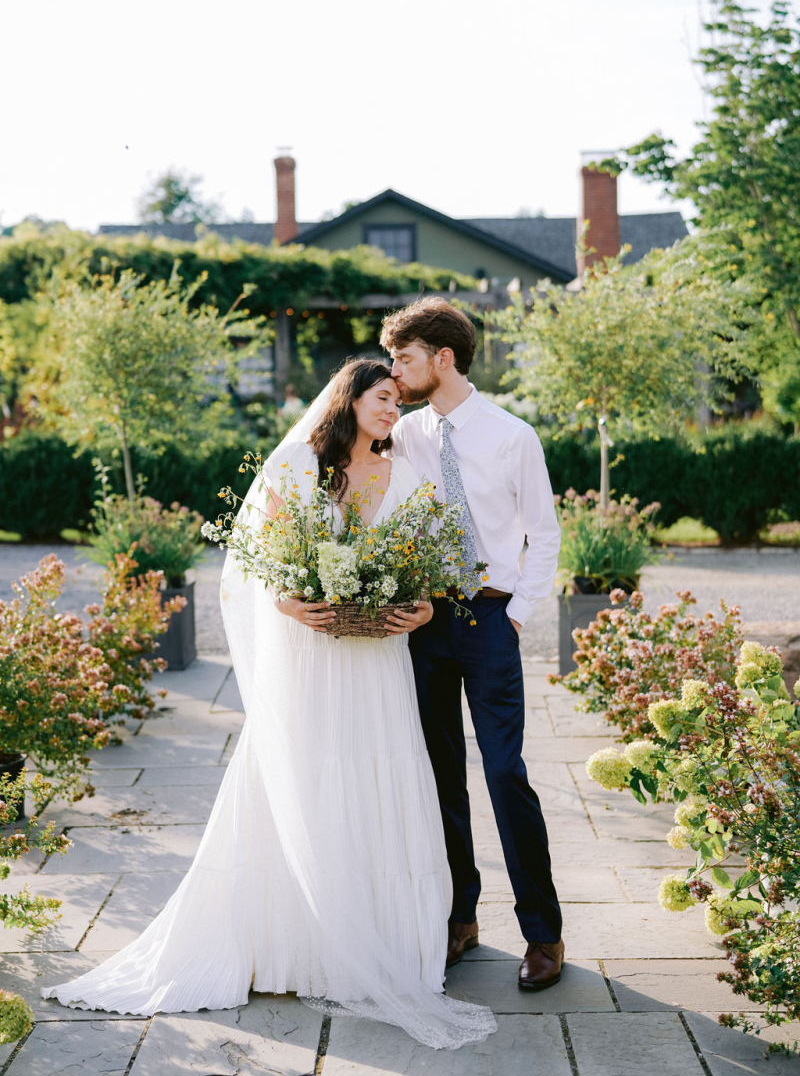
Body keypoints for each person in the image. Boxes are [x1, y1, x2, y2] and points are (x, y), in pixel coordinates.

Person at [42, 358, 495, 1051]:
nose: (392, 412)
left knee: (377, 774)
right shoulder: (294, 465)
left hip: (376, 658)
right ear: (350, 398)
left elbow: (429, 569)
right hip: (311, 653)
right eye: (383, 398)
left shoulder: (408, 473)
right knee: (305, 773)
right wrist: (290, 600)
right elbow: (254, 563)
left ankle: (383, 947)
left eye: (398, 402)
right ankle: (290, 947)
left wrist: (423, 606)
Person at [381, 298, 565, 991]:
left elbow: (543, 534)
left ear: (443, 357)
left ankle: (543, 934)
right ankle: (460, 918)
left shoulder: (512, 435)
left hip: (490, 621)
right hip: (425, 623)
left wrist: (515, 614)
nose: (395, 373)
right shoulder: (403, 435)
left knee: (504, 773)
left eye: (404, 358)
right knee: (437, 775)